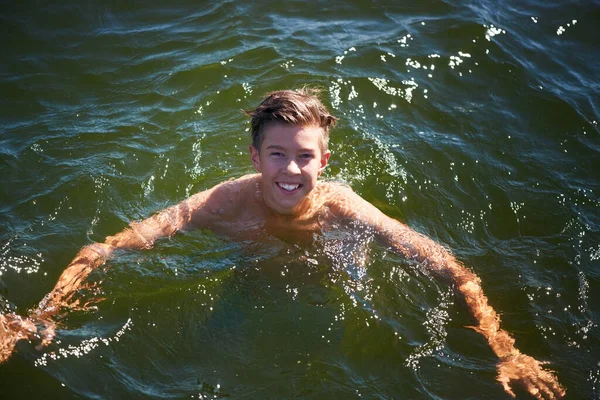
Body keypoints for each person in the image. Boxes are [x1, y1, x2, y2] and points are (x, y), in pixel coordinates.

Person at [0, 88, 565, 399]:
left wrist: (505, 348)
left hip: (339, 281)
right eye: (277, 154)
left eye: (304, 156)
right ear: (254, 157)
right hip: (251, 277)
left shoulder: (346, 207)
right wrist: (41, 313)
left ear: (325, 160)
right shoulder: (221, 203)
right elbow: (107, 248)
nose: (290, 169)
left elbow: (453, 269)